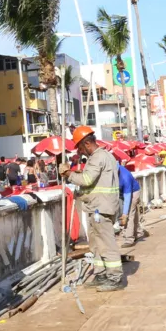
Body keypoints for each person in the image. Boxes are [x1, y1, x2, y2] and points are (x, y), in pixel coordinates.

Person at [59, 125, 124, 292]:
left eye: (80, 148)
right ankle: (101, 273)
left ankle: (115, 277)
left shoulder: (97, 158)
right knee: (95, 244)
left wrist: (68, 174)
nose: (80, 152)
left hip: (101, 208)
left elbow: (87, 180)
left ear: (87, 143)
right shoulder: (104, 156)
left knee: (106, 244)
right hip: (96, 206)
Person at [117, 163, 142, 248]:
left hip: (133, 192)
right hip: (121, 192)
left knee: (129, 213)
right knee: (133, 213)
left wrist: (124, 214)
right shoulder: (110, 171)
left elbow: (128, 197)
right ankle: (137, 232)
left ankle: (129, 239)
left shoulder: (125, 177)